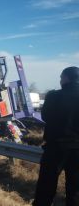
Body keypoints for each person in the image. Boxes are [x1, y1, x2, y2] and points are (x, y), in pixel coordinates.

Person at [33, 66, 79, 206]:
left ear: (66, 78)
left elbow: (45, 116)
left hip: (55, 148)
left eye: (60, 77)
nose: (59, 80)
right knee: (75, 191)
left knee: (45, 188)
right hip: (77, 150)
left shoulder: (53, 96)